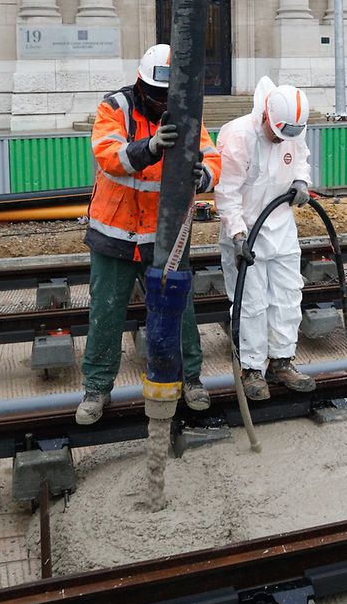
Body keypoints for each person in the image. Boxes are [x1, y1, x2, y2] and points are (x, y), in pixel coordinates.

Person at [75, 45, 221, 425]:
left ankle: (190, 380)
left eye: (166, 96)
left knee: (180, 310)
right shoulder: (116, 108)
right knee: (106, 312)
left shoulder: (187, 112)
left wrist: (203, 175)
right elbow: (109, 155)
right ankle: (96, 389)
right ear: (141, 84)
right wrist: (150, 147)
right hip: (115, 232)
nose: (160, 103)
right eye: (156, 95)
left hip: (164, 234)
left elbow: (212, 155)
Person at [214, 76, 315, 400]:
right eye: (278, 132)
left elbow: (301, 156)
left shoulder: (292, 125)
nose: (282, 139)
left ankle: (282, 361)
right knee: (251, 304)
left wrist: (300, 180)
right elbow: (226, 192)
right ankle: (251, 369)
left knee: (288, 295)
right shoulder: (238, 135)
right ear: (266, 116)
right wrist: (237, 235)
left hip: (282, 226)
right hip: (246, 232)